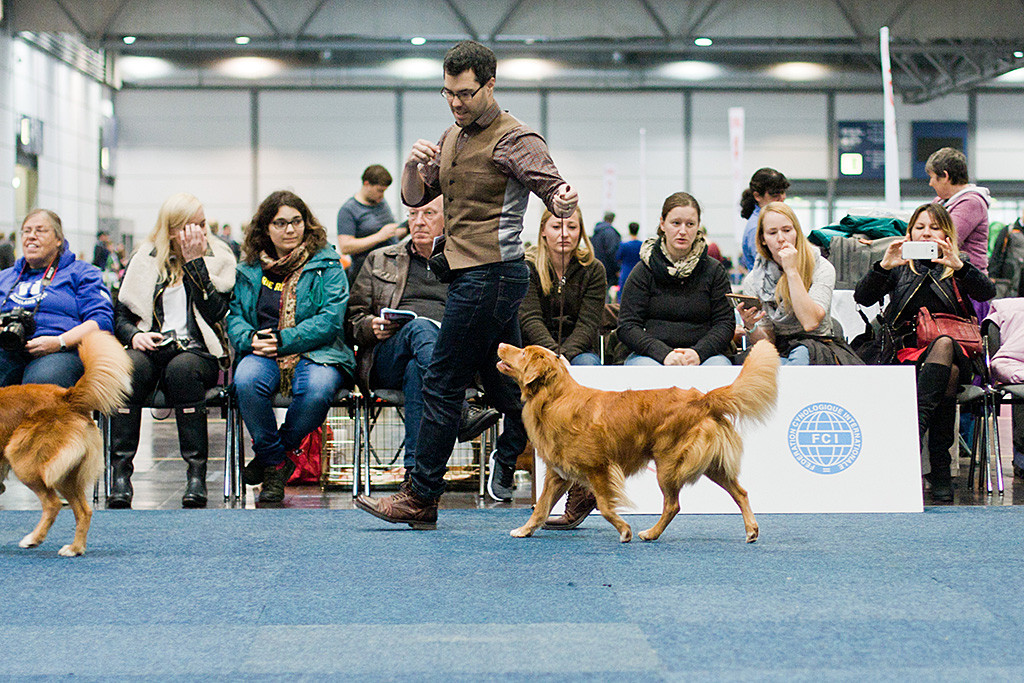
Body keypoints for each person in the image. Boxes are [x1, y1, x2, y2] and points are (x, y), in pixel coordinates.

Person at [354, 39, 577, 527]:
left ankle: (420, 496)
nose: (456, 102)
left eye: (465, 93)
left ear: (490, 85)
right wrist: (413, 166)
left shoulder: (516, 139)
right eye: (448, 93)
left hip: (492, 277)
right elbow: (417, 198)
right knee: (510, 392)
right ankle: (581, 482)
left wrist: (561, 202)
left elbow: (553, 190)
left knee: (442, 380)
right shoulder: (452, 136)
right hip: (467, 278)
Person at [346, 195, 500, 475]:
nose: (418, 222)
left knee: (419, 370)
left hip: (449, 360)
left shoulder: (468, 266)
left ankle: (417, 481)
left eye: (428, 213)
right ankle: (460, 409)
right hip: (388, 356)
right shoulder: (380, 258)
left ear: (448, 218)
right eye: (413, 214)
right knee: (419, 328)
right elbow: (352, 320)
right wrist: (372, 326)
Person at [854, 202, 995, 502]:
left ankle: (909, 440)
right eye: (920, 227)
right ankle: (940, 469)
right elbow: (862, 298)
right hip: (906, 354)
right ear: (910, 233)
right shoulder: (899, 265)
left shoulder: (959, 263)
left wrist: (960, 266)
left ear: (946, 232)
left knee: (944, 345)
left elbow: (987, 293)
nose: (926, 233)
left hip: (958, 349)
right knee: (948, 376)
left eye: (933, 227)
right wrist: (884, 266)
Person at [109, 193, 236, 509]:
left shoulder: (219, 257)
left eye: (205, 224)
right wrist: (136, 335)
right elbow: (121, 315)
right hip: (152, 348)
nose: (204, 232)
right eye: (197, 226)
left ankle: (196, 476)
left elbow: (216, 313)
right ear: (174, 230)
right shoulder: (145, 258)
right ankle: (120, 477)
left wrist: (195, 265)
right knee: (129, 366)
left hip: (199, 351)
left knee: (182, 369)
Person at [228, 190, 355, 504]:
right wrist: (249, 339)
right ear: (266, 229)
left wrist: (284, 341)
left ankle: (273, 458)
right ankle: (275, 465)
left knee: (318, 389)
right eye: (281, 223)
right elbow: (235, 316)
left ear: (306, 223)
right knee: (246, 382)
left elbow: (330, 320)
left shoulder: (327, 263)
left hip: (318, 350)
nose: (290, 230)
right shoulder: (249, 269)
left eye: (296, 222)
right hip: (261, 349)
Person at [617, 192, 734, 367]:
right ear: (662, 224)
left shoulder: (714, 270)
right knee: (645, 370)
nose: (682, 231)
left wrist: (698, 353)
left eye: (690, 224)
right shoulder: (643, 271)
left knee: (719, 367)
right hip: (651, 356)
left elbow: (725, 323)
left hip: (705, 356)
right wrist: (663, 354)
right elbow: (627, 326)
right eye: (676, 223)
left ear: (698, 227)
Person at [0, 210, 113, 388]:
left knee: (40, 387)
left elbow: (101, 321)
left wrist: (59, 342)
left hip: (60, 351)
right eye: (26, 231)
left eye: (40, 230)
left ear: (58, 239)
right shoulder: (5, 277)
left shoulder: (82, 272)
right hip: (7, 350)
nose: (31, 236)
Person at [738, 202, 838, 365]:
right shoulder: (755, 280)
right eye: (772, 232)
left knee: (800, 353)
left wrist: (791, 271)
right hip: (780, 347)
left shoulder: (821, 267)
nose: (781, 238)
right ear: (763, 239)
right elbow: (767, 341)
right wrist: (752, 327)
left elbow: (810, 322)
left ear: (797, 233)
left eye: (787, 230)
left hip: (817, 345)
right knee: (759, 363)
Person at [520, 207, 605, 365]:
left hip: (579, 351)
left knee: (587, 364)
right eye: (556, 227)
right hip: (536, 349)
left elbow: (588, 324)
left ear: (580, 231)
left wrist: (564, 356)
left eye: (572, 227)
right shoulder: (528, 267)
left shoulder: (594, 269)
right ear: (543, 230)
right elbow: (530, 320)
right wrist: (553, 355)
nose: (564, 233)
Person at [926, 147, 990, 275]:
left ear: (945, 176)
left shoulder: (972, 203)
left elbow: (944, 241)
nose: (930, 183)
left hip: (967, 282)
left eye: (932, 177)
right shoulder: (940, 202)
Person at [337, 164, 400, 281]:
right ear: (367, 184)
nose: (382, 195)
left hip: (391, 267)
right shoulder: (349, 210)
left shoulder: (381, 203)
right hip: (367, 273)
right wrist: (380, 236)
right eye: (379, 191)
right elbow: (345, 247)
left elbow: (390, 235)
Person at [739, 168, 789, 271]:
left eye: (783, 192)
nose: (782, 198)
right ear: (757, 196)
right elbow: (766, 272)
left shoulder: (774, 218)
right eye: (775, 195)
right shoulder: (756, 227)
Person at [591, 211, 621, 293]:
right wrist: (617, 268)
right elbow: (612, 252)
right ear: (613, 219)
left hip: (596, 265)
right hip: (608, 268)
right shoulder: (610, 232)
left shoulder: (597, 232)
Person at [616, 221, 641, 294]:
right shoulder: (641, 245)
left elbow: (618, 258)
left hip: (626, 271)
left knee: (623, 293)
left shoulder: (624, 245)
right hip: (638, 272)